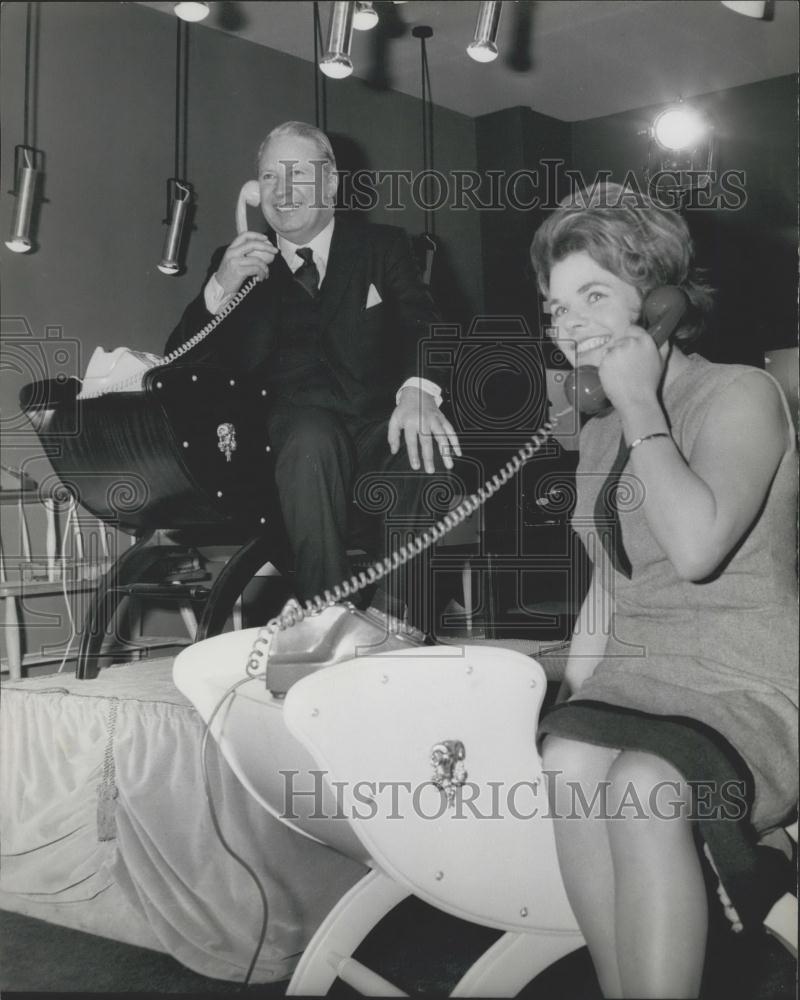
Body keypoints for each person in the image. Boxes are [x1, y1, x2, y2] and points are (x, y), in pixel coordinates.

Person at [529, 183, 797, 998]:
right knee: (568, 756)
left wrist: (642, 401)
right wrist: (573, 691)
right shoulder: (601, 427)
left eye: (593, 296)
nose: (566, 323)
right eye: (553, 306)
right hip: (644, 672)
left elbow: (695, 549)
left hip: (750, 679)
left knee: (642, 784)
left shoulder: (740, 396)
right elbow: (610, 585)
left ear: (661, 302)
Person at [166, 122, 461, 625]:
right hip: (285, 457)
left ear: (330, 185)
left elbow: (426, 325)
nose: (281, 192)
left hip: (371, 440)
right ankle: (329, 619)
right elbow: (179, 364)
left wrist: (418, 394)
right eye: (269, 178)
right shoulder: (236, 265)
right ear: (255, 192)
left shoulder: (383, 247)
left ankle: (390, 621)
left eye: (297, 174)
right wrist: (219, 287)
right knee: (310, 433)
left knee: (422, 445)